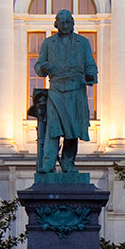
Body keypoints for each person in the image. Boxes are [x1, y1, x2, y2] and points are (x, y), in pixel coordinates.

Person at [33, 9, 98, 174]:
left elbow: (90, 63)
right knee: (53, 129)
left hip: (76, 89)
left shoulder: (82, 43)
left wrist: (90, 75)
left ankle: (68, 163)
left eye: (69, 22)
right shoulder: (49, 43)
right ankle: (48, 164)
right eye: (62, 23)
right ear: (56, 24)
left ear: (73, 23)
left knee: (73, 130)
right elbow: (39, 65)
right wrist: (43, 68)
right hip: (56, 89)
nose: (66, 26)